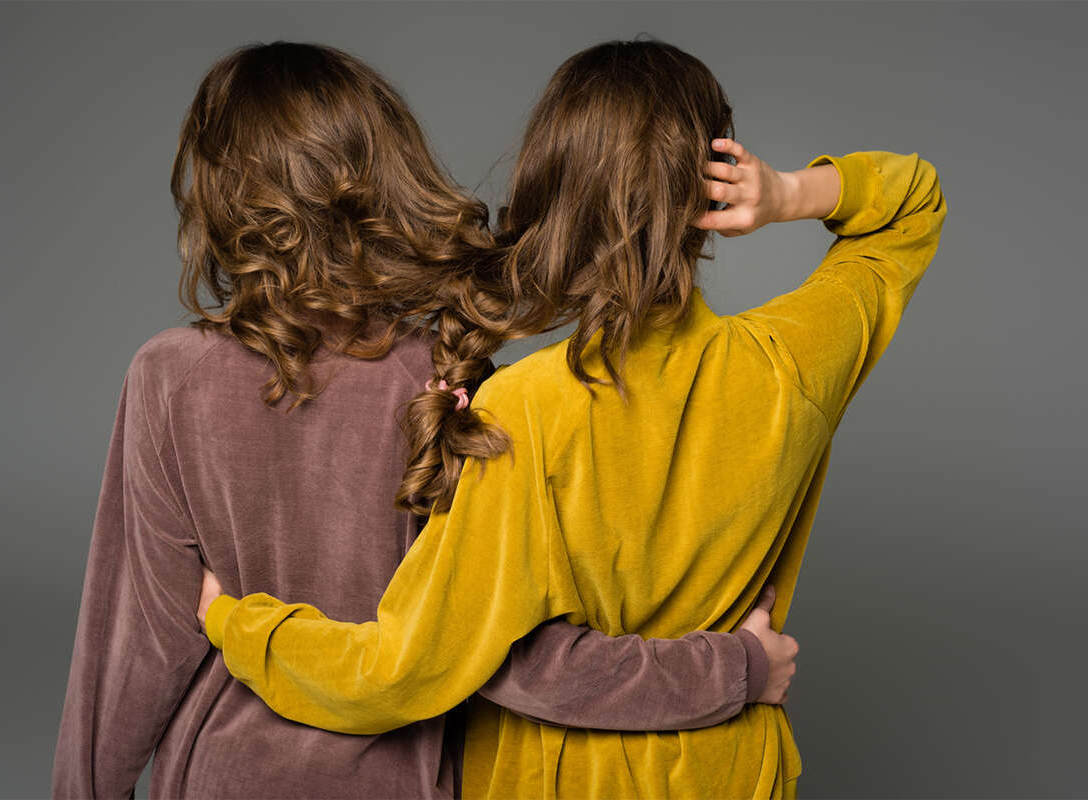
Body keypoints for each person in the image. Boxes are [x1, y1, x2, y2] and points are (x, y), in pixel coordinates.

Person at [198, 40, 947, 799]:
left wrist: (238, 624)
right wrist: (785, 193)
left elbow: (400, 674)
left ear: (550, 185)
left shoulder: (523, 412)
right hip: (734, 773)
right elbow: (913, 202)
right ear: (711, 184)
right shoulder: (790, 366)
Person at [52, 42, 798, 800]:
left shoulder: (171, 377)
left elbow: (134, 652)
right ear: (387, 175)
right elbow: (519, 664)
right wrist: (733, 669)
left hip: (223, 777)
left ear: (218, 192)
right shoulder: (448, 378)